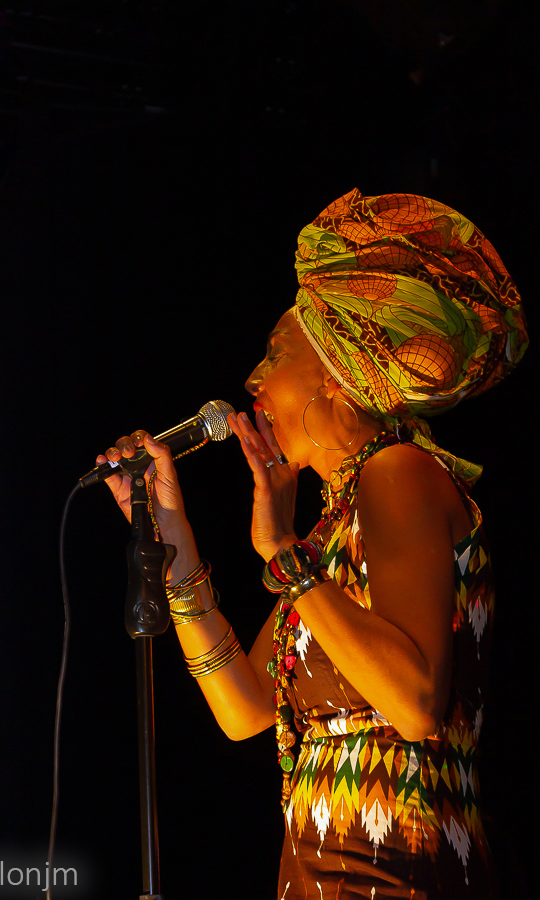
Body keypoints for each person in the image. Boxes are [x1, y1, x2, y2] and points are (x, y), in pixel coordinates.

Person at [98, 189, 527, 899]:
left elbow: (416, 702)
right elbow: (244, 709)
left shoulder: (399, 474)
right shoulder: (337, 528)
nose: (253, 379)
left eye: (275, 355)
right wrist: (174, 545)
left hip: (397, 879)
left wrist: (283, 554)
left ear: (334, 372)